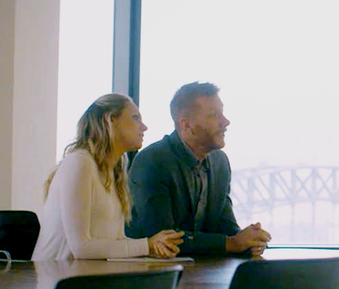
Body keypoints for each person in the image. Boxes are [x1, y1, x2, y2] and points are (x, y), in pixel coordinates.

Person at [32, 94, 184, 260]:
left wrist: (154, 249)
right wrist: (147, 245)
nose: (144, 127)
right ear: (111, 119)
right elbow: (81, 248)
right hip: (58, 281)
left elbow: (114, 243)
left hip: (89, 278)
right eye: (135, 118)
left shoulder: (115, 170)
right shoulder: (80, 163)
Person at [126, 82, 271, 256]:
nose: (225, 122)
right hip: (150, 275)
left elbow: (224, 225)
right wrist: (232, 243)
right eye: (214, 115)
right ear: (186, 125)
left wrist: (249, 240)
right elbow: (165, 239)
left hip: (200, 271)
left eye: (222, 113)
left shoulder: (220, 162)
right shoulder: (152, 161)